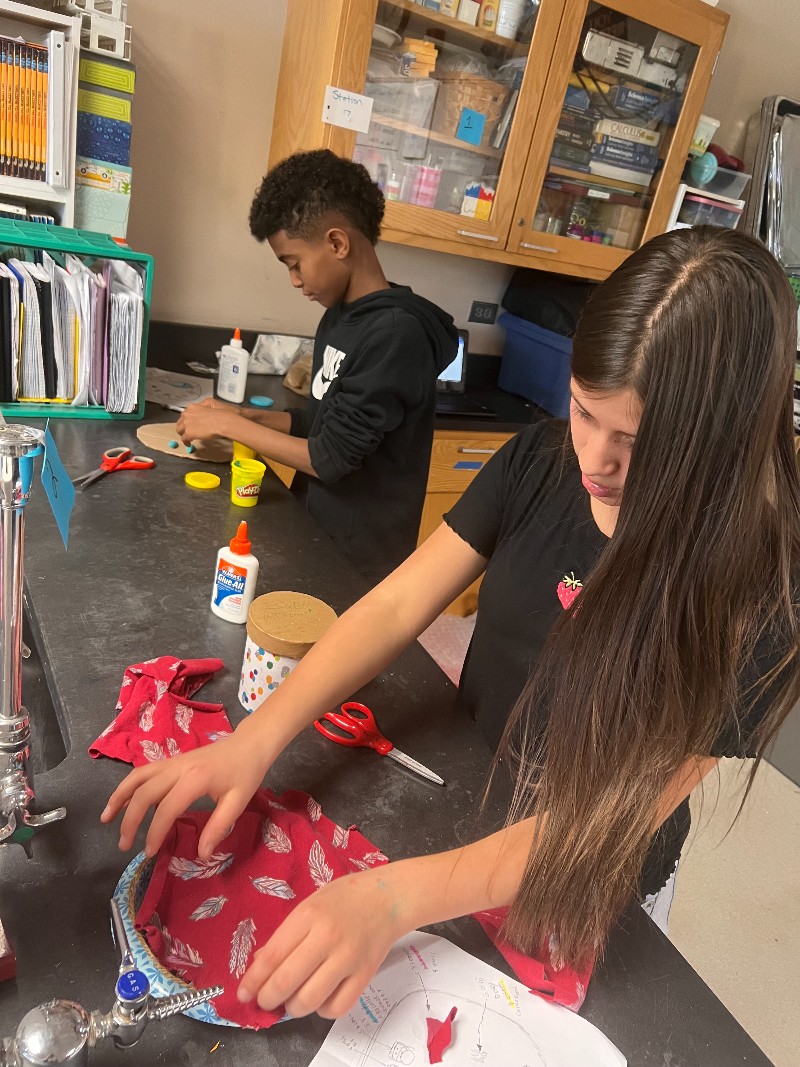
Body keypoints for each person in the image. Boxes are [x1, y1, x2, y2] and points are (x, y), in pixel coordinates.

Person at [103, 227, 799, 1020]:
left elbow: (600, 817)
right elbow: (400, 603)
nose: (595, 460)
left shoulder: (762, 591)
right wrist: (255, 739)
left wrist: (398, 897)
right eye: (582, 410)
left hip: (587, 870)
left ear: (716, 448)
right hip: (478, 780)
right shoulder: (540, 462)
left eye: (634, 442)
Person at [176, 149, 458, 582]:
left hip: (359, 557)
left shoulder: (397, 334)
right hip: (316, 529)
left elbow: (330, 458)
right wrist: (245, 414)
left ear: (337, 243)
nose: (294, 280)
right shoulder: (340, 316)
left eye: (294, 263)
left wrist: (231, 428)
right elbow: (323, 422)